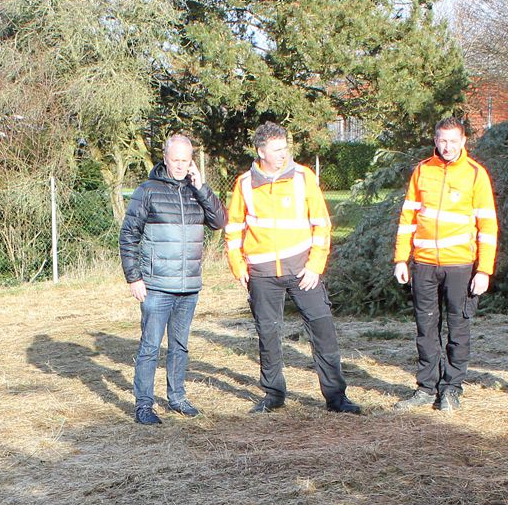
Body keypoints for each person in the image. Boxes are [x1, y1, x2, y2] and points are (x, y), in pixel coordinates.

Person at [225, 122, 362, 415]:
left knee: (323, 330)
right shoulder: (244, 183)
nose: (283, 154)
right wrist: (238, 266)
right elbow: (233, 228)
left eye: (285, 148)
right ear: (260, 151)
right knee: (268, 335)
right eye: (276, 149)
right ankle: (273, 395)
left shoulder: (303, 177)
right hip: (262, 274)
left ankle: (336, 397)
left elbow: (321, 224)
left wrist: (315, 265)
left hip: (303, 271)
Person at [119, 133, 227, 425]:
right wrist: (134, 277)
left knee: (180, 345)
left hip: (189, 285)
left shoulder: (196, 190)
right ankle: (144, 405)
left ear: (192, 161)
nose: (180, 165)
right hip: (156, 286)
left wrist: (202, 187)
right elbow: (128, 235)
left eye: (185, 160)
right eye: (175, 159)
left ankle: (177, 398)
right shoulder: (147, 191)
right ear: (165, 158)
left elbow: (219, 221)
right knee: (150, 347)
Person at [392, 118, 498, 412]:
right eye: (442, 140)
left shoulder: (475, 174)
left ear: (463, 141)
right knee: (426, 329)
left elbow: (488, 226)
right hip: (424, 264)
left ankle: (451, 389)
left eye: (453, 141)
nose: (447, 146)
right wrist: (401, 259)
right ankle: (426, 388)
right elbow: (407, 219)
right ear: (435, 140)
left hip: (460, 265)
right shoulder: (422, 170)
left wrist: (484, 270)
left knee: (458, 329)